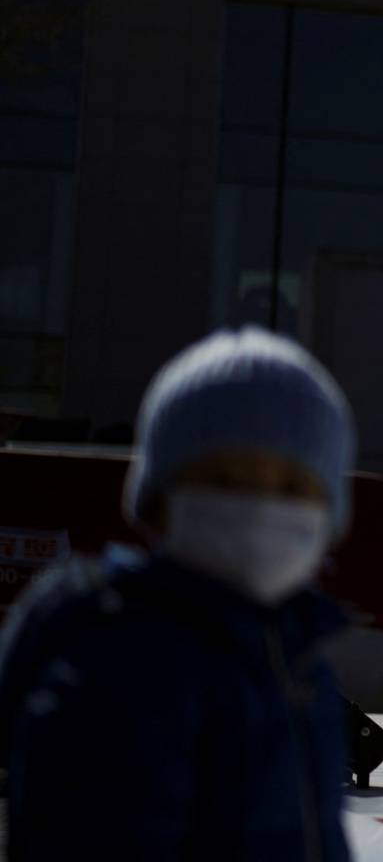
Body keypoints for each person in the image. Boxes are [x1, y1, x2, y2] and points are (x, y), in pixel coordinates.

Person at [0, 328, 357, 861]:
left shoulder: (296, 660)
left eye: (290, 488)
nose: (259, 507)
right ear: (158, 498)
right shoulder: (120, 662)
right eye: (224, 481)